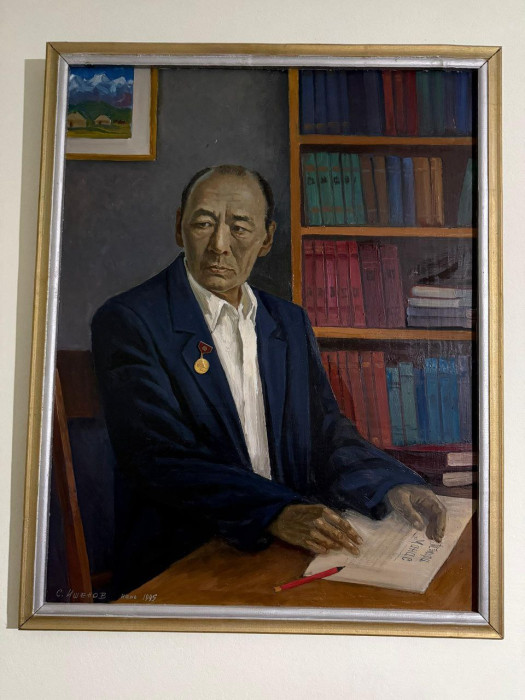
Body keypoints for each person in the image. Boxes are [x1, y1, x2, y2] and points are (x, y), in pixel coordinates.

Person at [92, 164, 446, 595]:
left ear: (267, 239)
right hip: (184, 560)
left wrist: (390, 484)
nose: (219, 245)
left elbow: (326, 432)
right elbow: (160, 458)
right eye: (203, 224)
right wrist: (275, 512)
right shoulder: (129, 320)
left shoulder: (287, 321)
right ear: (179, 228)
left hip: (288, 552)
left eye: (239, 228)